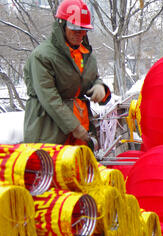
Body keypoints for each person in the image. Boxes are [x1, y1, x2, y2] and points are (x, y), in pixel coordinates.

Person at [23, 0, 111, 148]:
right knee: (54, 168)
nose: (80, 34)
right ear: (61, 25)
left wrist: (99, 86)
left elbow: (91, 78)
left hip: (81, 130)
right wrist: (74, 127)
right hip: (49, 131)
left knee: (80, 168)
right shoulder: (42, 56)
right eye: (75, 29)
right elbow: (49, 98)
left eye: (83, 30)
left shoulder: (86, 55)